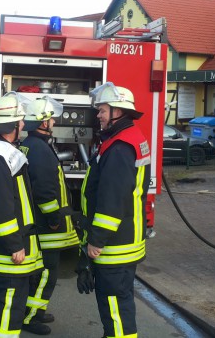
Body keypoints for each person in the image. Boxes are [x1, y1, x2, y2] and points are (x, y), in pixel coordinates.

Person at [77, 82, 150, 337]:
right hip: (125, 241)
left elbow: (112, 200)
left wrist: (96, 240)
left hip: (115, 246)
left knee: (116, 308)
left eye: (103, 110)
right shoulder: (126, 138)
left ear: (118, 111)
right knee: (118, 305)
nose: (98, 115)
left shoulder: (119, 148)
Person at [0, 92, 44, 338]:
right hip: (8, 251)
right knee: (8, 310)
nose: (24, 125)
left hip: (7, 247)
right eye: (20, 121)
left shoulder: (0, 150)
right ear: (10, 126)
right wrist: (14, 243)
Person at [19, 96, 80, 335]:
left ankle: (36, 311)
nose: (54, 121)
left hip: (36, 222)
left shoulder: (29, 145)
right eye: (51, 118)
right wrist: (54, 219)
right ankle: (32, 317)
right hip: (47, 225)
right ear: (43, 122)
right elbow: (45, 191)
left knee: (42, 271)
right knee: (47, 272)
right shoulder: (41, 150)